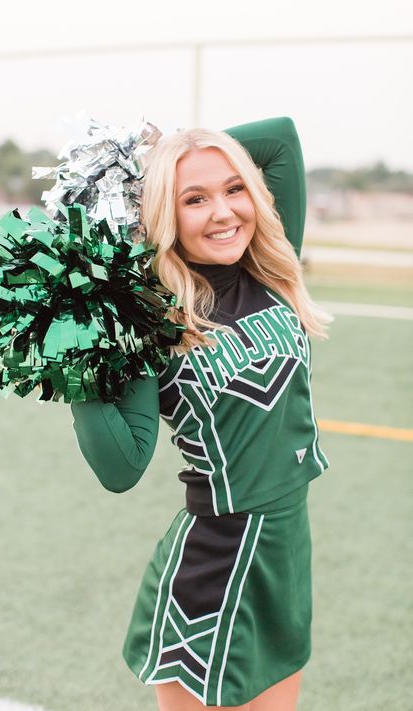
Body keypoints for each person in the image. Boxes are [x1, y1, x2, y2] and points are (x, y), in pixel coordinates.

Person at [70, 116, 331, 710]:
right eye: (194, 199)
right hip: (215, 568)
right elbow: (120, 468)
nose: (224, 212)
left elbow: (282, 136)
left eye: (234, 188)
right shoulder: (147, 319)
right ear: (164, 212)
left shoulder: (269, 266)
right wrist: (79, 361)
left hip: (286, 554)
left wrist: (161, 155)